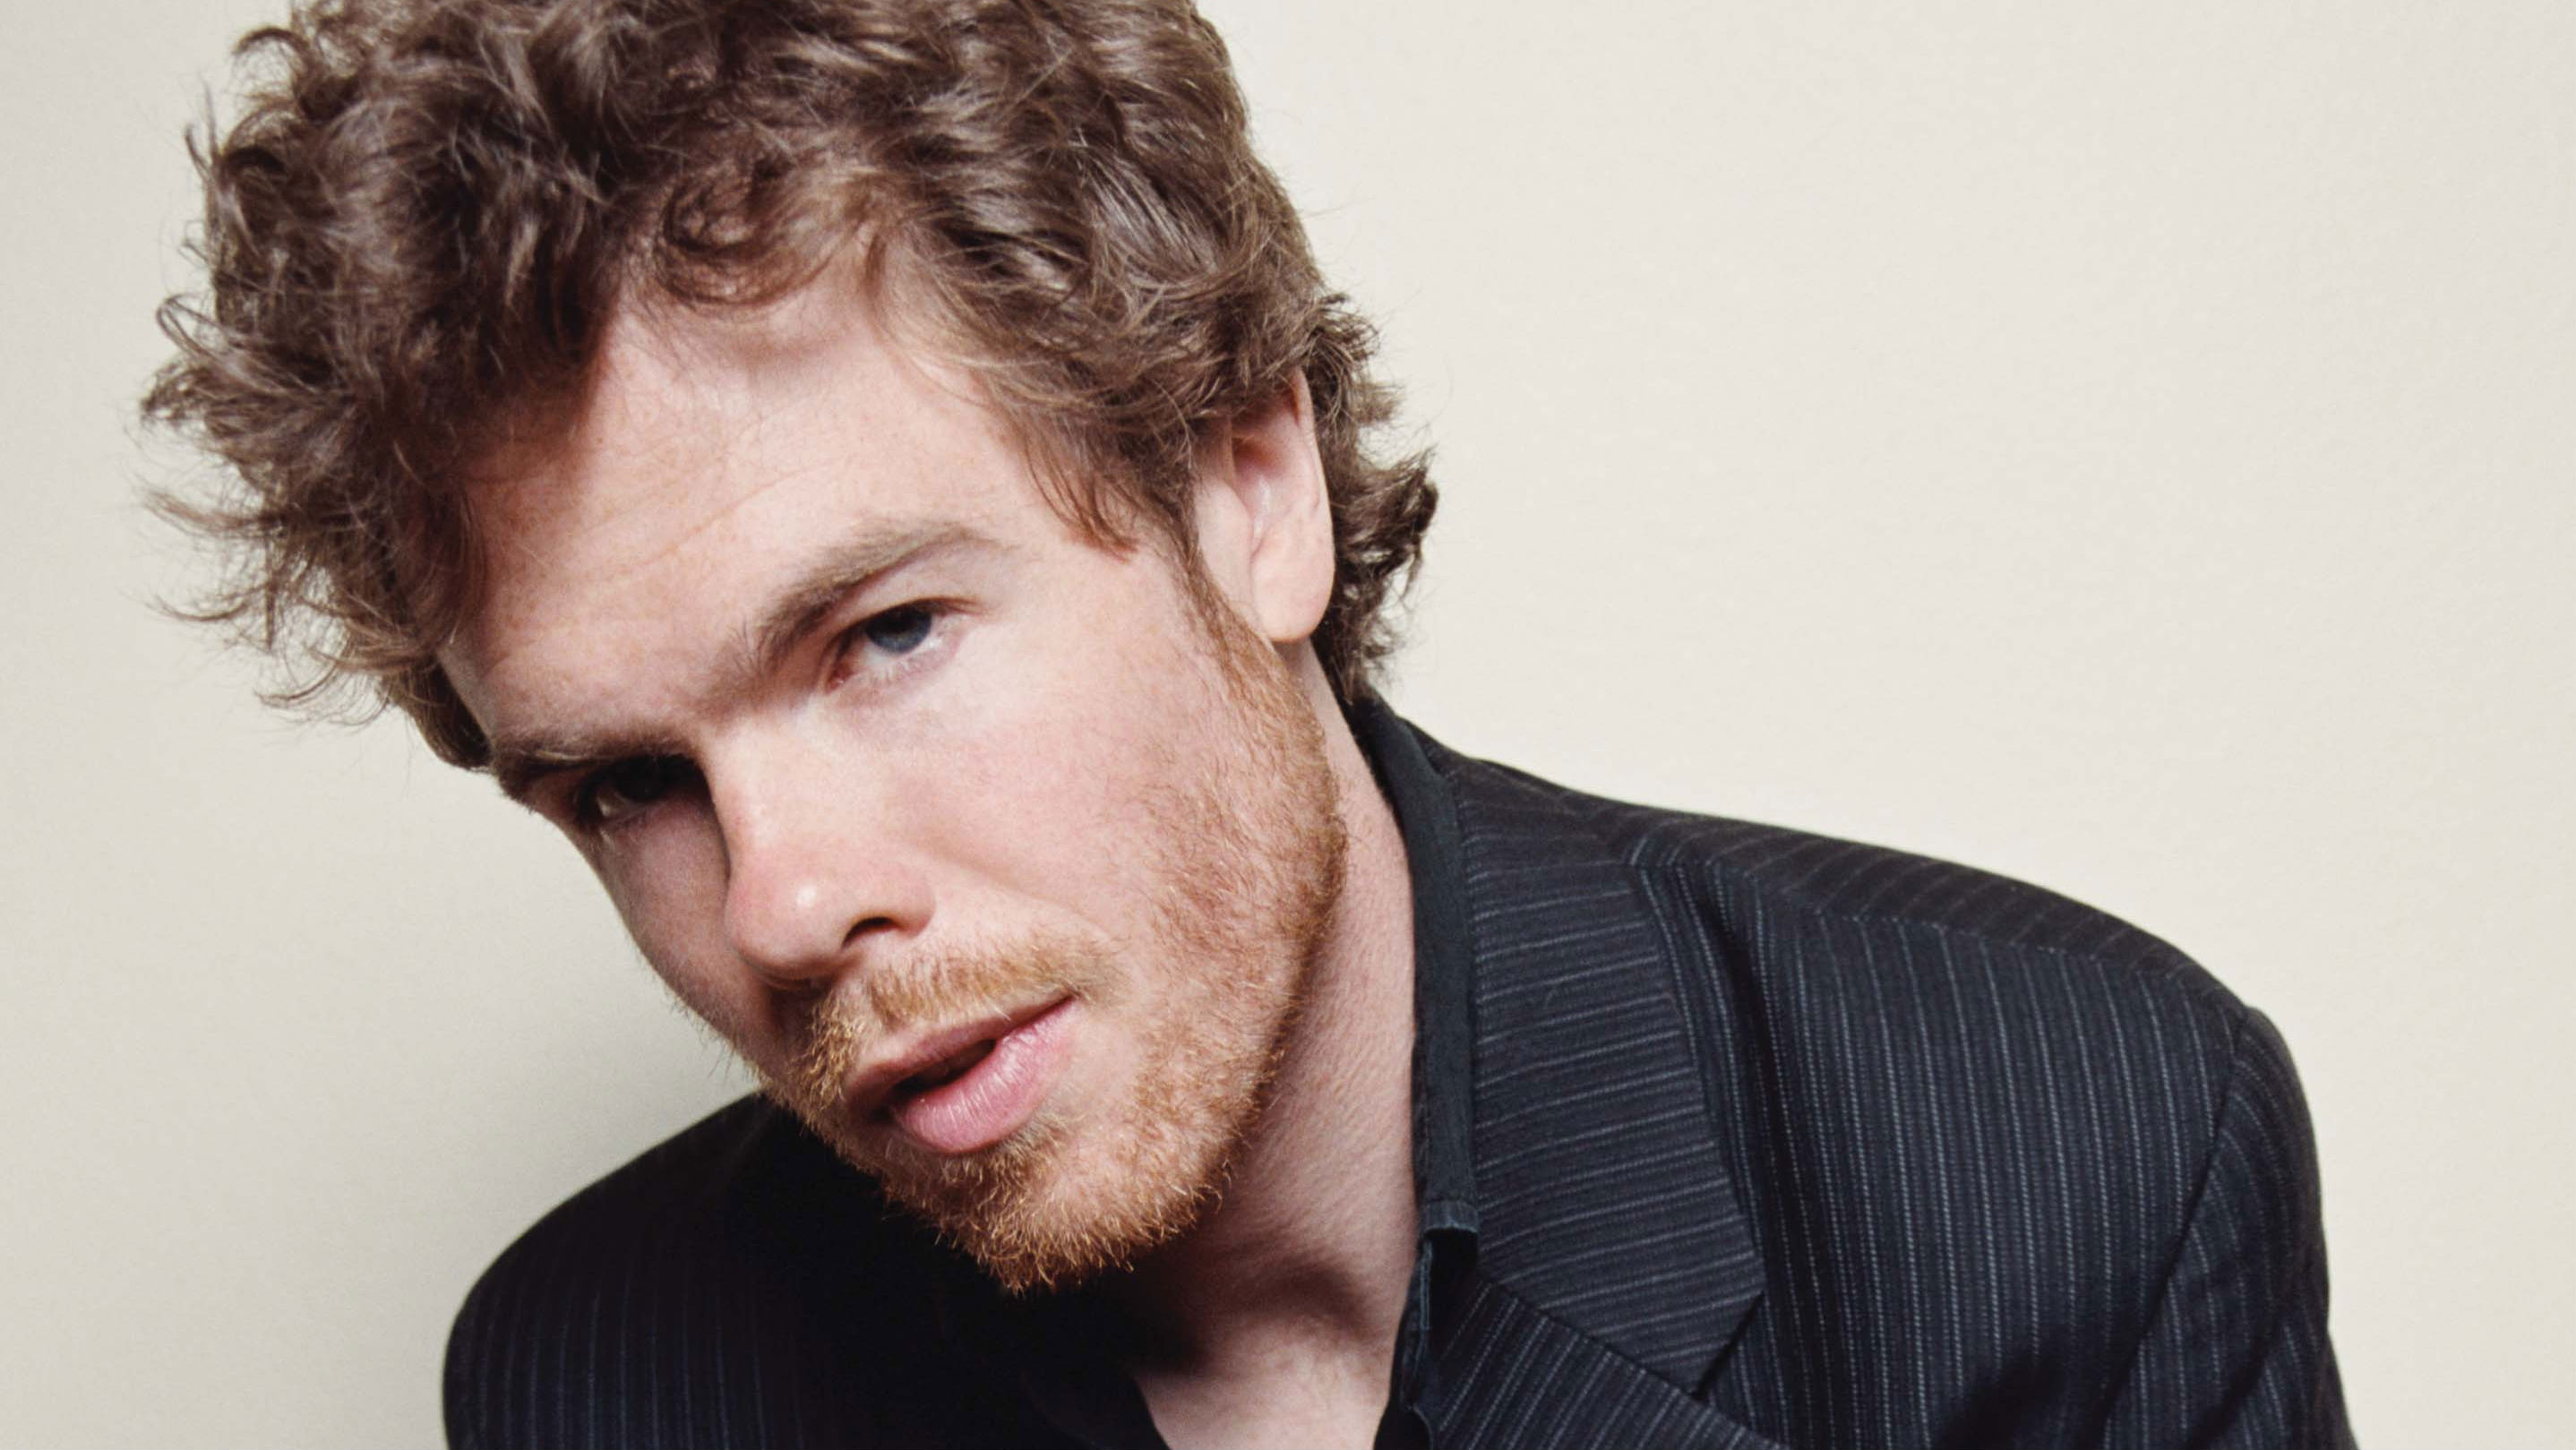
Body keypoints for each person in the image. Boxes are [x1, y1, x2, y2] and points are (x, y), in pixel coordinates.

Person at [144, 0, 2351, 1446]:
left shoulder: (2072, 1153)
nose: (784, 903)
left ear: (1248, 483)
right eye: (631, 782)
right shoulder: (597, 1375)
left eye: (885, 635)